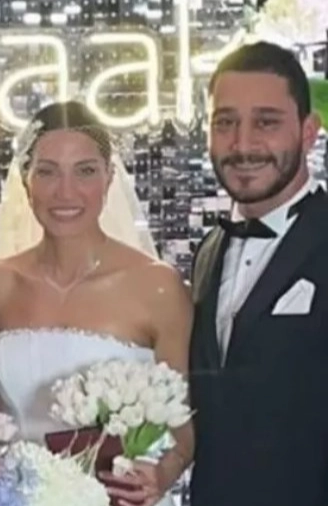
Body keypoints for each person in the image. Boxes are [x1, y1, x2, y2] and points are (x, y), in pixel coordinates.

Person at [0, 101, 194, 506]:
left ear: (109, 178)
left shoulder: (158, 286)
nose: (65, 191)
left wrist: (161, 474)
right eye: (47, 171)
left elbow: (182, 424)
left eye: (85, 171)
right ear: (26, 180)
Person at [189, 41, 328, 506]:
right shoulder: (208, 251)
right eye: (225, 123)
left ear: (308, 132)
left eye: (266, 123)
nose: (243, 145)